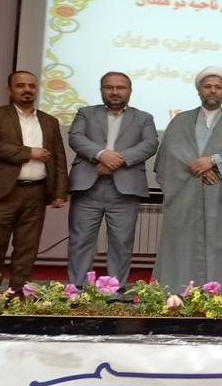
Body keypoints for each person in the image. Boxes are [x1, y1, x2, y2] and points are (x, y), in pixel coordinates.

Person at [155, 66, 222, 293]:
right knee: (181, 243)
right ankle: (176, 291)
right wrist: (200, 167)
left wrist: (214, 161)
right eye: (207, 86)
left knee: (221, 243)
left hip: (219, 195)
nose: (212, 91)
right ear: (199, 90)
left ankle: (220, 293)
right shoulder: (180, 120)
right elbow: (170, 152)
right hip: (185, 195)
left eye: (218, 87)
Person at [0, 70, 69, 289]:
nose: (27, 90)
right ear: (9, 90)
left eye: (31, 86)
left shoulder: (49, 120)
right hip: (2, 193)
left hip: (37, 192)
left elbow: (59, 158)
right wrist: (28, 152)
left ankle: (19, 294)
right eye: (20, 85)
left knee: (27, 248)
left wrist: (59, 193)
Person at [66, 71, 159, 286]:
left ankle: (114, 291)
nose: (115, 92)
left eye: (120, 87)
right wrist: (101, 155)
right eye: (109, 87)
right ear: (101, 90)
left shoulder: (144, 117)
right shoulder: (85, 113)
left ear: (129, 91)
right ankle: (77, 290)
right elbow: (76, 137)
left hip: (125, 191)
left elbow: (150, 144)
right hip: (88, 188)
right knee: (80, 241)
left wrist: (118, 159)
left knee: (122, 243)